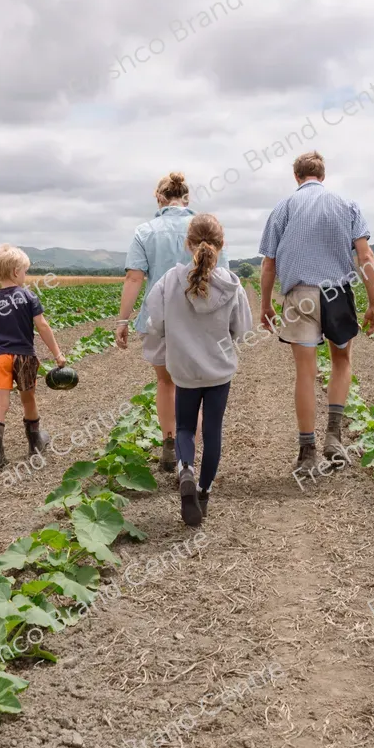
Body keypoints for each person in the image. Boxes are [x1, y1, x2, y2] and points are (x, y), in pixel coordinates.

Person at [258, 151, 374, 473]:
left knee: (305, 373)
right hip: (337, 294)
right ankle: (334, 436)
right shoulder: (348, 205)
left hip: (300, 296)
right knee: (341, 362)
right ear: (322, 176)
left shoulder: (282, 207)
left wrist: (265, 304)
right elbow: (366, 257)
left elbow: (269, 263)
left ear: (297, 176)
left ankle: (306, 453)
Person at [116, 172, 229, 473]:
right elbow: (224, 278)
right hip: (202, 321)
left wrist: (122, 320)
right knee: (197, 384)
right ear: (187, 197)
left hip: (161, 320)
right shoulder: (208, 229)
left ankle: (170, 443)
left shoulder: (145, 231)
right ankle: (189, 453)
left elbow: (134, 278)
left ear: (159, 197)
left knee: (166, 382)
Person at [143, 214, 251, 527]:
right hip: (219, 371)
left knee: (186, 427)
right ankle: (203, 492)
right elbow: (242, 330)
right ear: (222, 244)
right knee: (213, 430)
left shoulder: (169, 281)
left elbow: (156, 323)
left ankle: (185, 469)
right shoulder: (233, 285)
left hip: (184, 370)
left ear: (187, 244)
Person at [0, 243, 66, 470]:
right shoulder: (28, 296)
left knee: (0, 404)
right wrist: (57, 353)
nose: (26, 276)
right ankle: (35, 443)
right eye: (25, 271)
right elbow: (43, 326)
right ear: (17, 272)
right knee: (28, 398)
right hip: (24, 357)